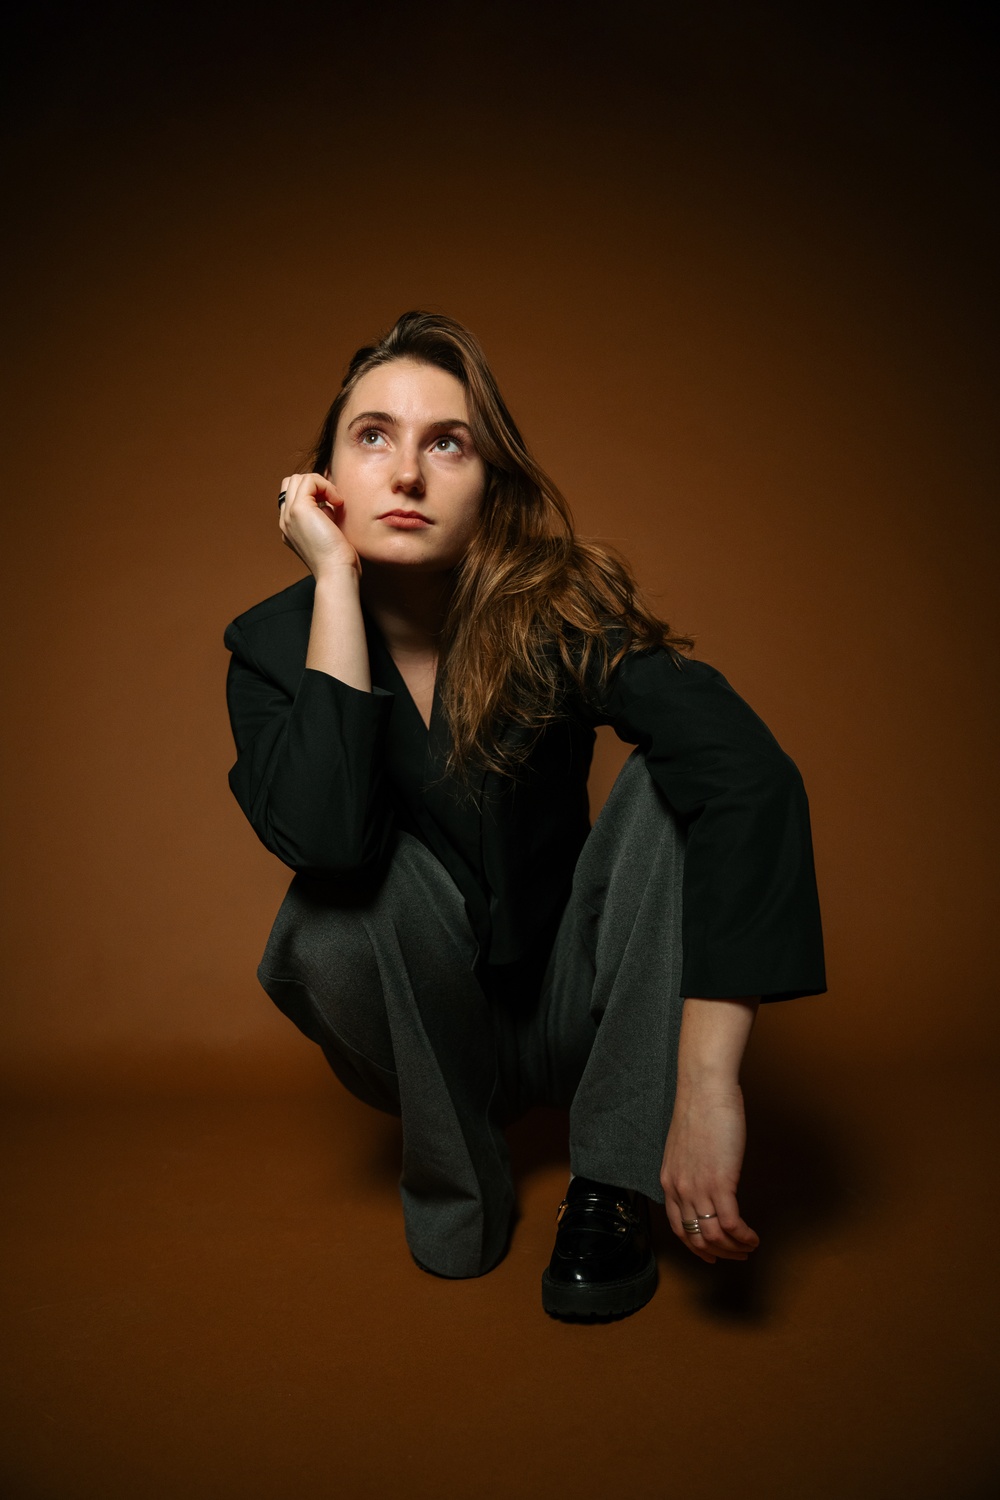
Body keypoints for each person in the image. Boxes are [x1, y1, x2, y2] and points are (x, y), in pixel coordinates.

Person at [223, 311, 826, 1321]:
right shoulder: (270, 651)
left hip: (580, 1006)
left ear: (489, 483)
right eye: (373, 436)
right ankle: (458, 1168)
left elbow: (747, 773)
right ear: (322, 479)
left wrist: (707, 1084)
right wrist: (333, 580)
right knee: (331, 911)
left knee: (673, 786)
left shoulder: (553, 607)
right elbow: (325, 841)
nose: (405, 474)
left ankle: (611, 1179)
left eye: (446, 444)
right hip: (431, 1037)